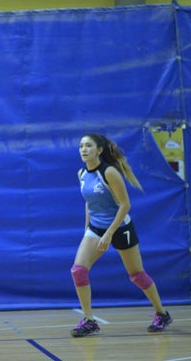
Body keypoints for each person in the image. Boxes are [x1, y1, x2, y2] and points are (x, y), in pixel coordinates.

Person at [69, 132, 173, 337]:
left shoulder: (109, 172)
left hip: (120, 228)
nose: (83, 149)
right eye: (81, 146)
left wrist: (109, 234)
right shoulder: (82, 174)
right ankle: (89, 321)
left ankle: (162, 314)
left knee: (136, 275)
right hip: (97, 228)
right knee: (78, 270)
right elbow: (89, 204)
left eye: (88, 146)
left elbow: (125, 205)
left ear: (99, 150)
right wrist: (87, 230)